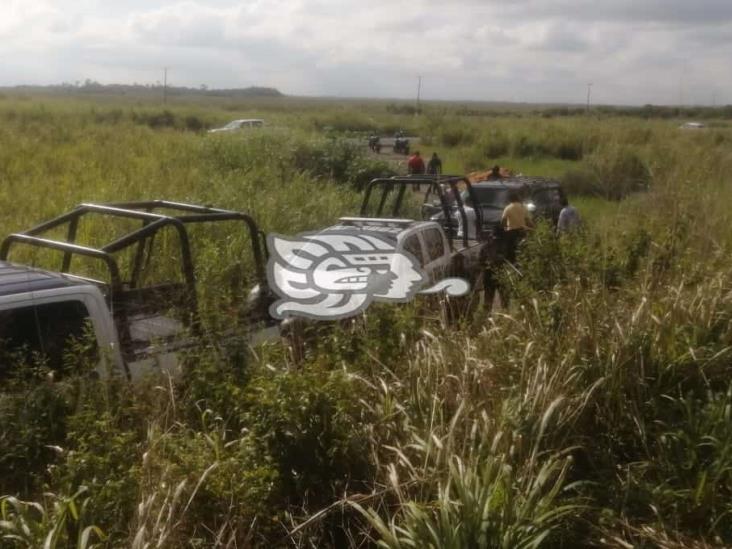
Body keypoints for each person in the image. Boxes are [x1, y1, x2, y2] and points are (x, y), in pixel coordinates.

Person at [501, 191, 533, 263]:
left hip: (511, 232)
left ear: (510, 199)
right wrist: (534, 228)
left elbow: (503, 220)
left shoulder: (508, 208)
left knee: (509, 250)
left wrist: (504, 228)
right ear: (517, 198)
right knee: (525, 247)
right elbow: (528, 220)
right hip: (523, 231)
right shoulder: (524, 207)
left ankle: (510, 261)